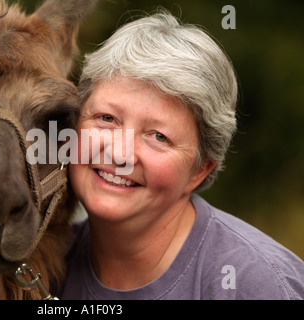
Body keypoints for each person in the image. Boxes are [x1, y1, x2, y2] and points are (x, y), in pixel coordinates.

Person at [57, 9, 304, 299]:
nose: (120, 153)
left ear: (200, 170)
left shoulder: (255, 285)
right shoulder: (40, 266)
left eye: (159, 136)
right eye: (107, 118)